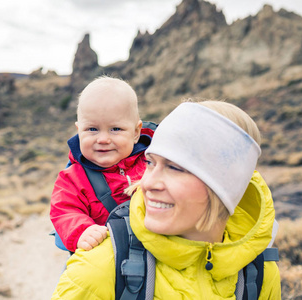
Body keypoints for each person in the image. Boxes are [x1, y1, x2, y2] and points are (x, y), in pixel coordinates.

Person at [52, 100, 281, 299]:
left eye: (175, 168)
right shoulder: (99, 269)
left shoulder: (258, 273)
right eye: (150, 163)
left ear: (225, 185)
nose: (147, 184)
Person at [50, 76, 154, 252]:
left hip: (155, 253)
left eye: (115, 129)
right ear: (79, 131)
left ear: (136, 132)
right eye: (92, 129)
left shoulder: (154, 162)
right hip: (107, 256)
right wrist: (83, 231)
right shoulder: (73, 179)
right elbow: (64, 211)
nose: (103, 139)